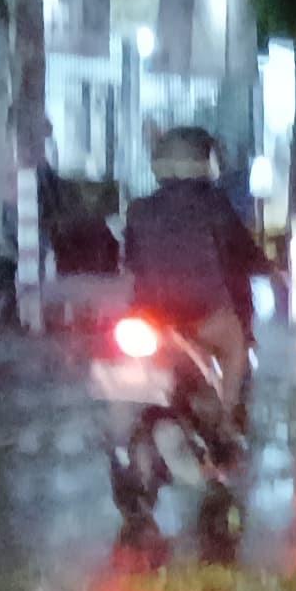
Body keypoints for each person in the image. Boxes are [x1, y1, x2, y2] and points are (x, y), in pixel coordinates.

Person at [119, 126, 270, 422]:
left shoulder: (138, 210)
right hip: (205, 316)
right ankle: (227, 421)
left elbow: (130, 262)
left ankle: (124, 444)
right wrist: (269, 267)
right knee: (235, 350)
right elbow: (246, 253)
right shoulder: (216, 205)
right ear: (202, 161)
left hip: (153, 321)